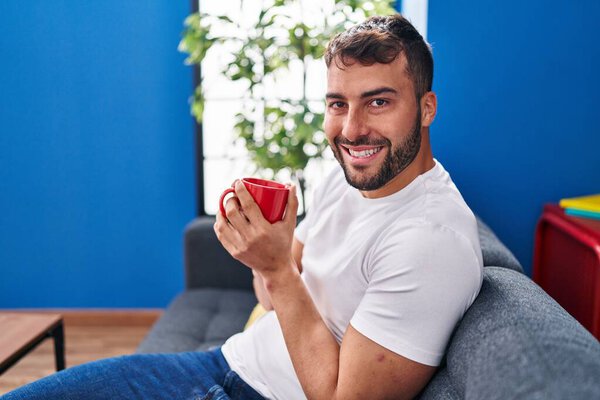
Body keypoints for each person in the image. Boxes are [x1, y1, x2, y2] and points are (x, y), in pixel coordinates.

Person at [1, 14, 482, 400]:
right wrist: (263, 253)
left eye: (378, 102)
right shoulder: (347, 179)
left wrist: (276, 269)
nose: (352, 129)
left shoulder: (431, 239)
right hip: (226, 363)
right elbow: (276, 294)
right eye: (338, 104)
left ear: (426, 108)